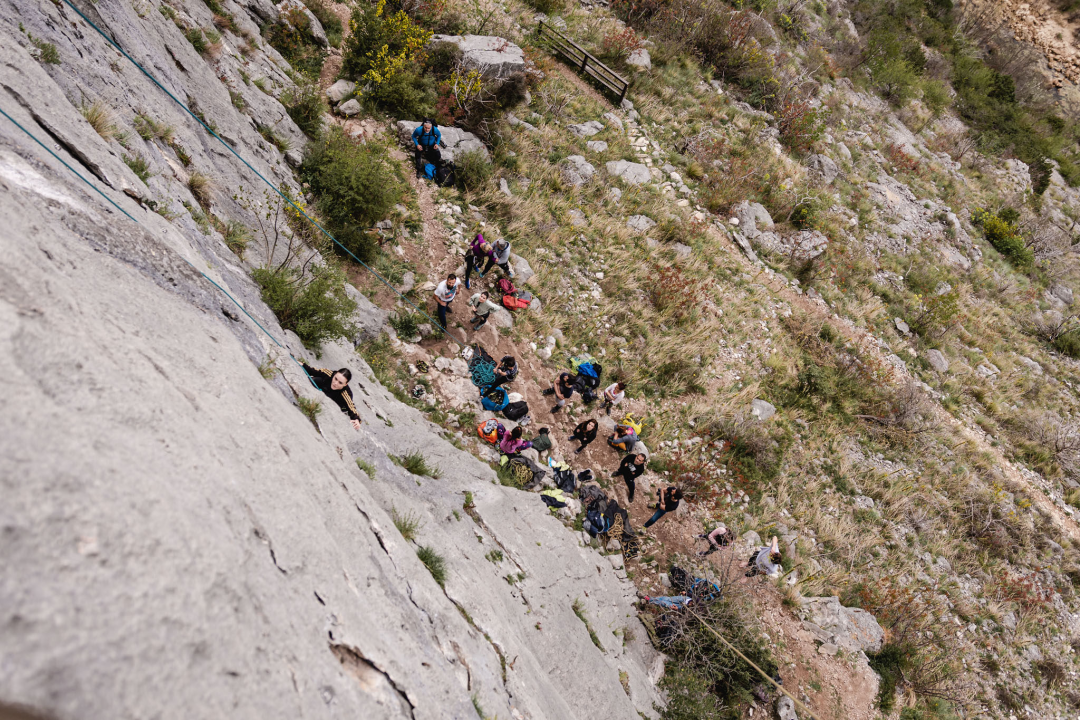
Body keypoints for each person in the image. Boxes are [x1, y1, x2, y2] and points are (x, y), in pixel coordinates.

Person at [300, 362, 362, 430]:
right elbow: (313, 371)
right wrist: (302, 365)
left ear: (345, 384)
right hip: (324, 388)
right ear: (335, 374)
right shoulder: (329, 373)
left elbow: (351, 407)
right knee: (316, 379)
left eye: (340, 383)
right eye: (335, 378)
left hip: (335, 400)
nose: (335, 383)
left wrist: (357, 420)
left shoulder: (346, 394)